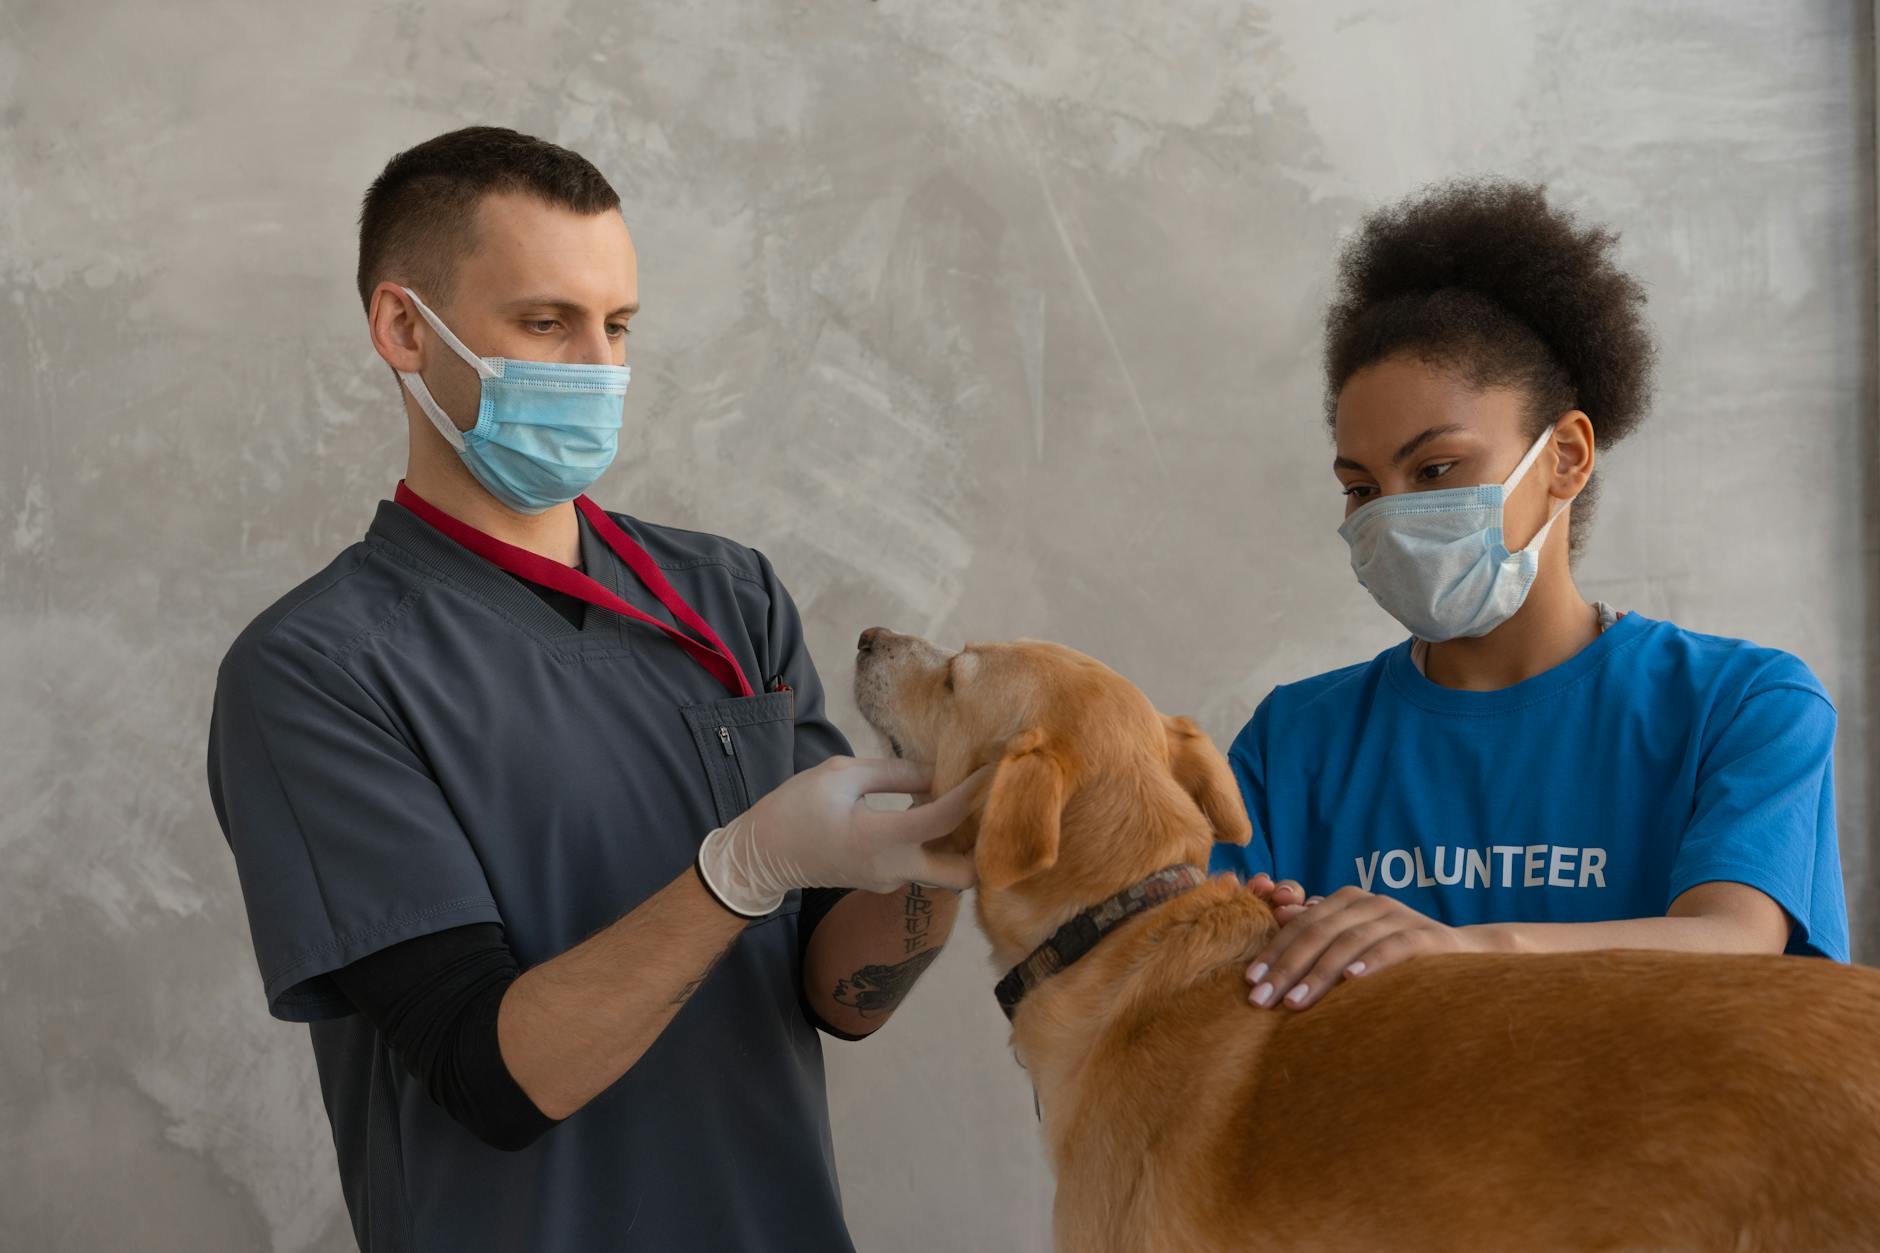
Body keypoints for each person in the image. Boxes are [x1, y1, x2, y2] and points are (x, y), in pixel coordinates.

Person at [205, 125, 984, 1252]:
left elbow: (837, 995)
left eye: (615, 326)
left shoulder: (726, 596)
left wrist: (938, 857)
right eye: (543, 323)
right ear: (402, 328)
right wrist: (742, 865)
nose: (595, 367)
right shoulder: (316, 670)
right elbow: (493, 1074)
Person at [1211, 178, 1849, 1014]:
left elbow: (1734, 941)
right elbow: (1205, 1008)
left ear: (1567, 458)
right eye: (1363, 488)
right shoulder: (1290, 746)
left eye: (1435, 470)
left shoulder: (1743, 705)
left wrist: (1457, 949)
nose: (1395, 516)